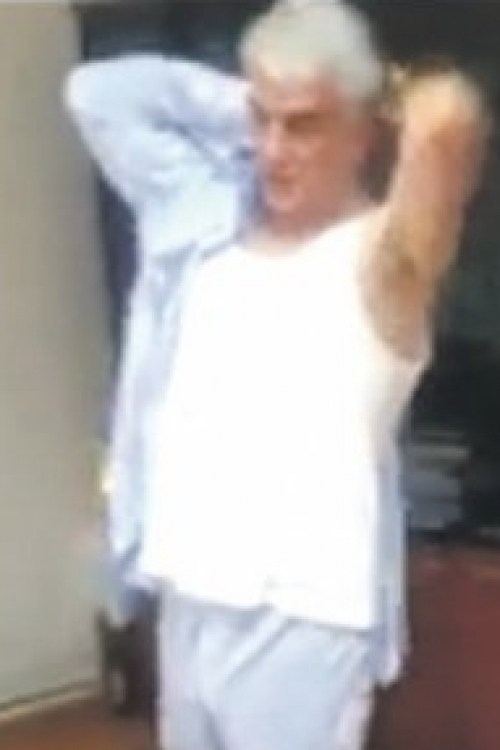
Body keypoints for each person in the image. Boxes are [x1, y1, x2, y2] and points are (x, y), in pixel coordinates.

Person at [65, 1, 488, 748]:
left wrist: (373, 90)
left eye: (303, 125)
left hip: (301, 619)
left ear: (362, 132)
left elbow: (447, 118)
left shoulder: (381, 263)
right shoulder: (203, 221)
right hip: (189, 592)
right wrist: (258, 98)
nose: (272, 148)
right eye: (261, 121)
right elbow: (97, 94)